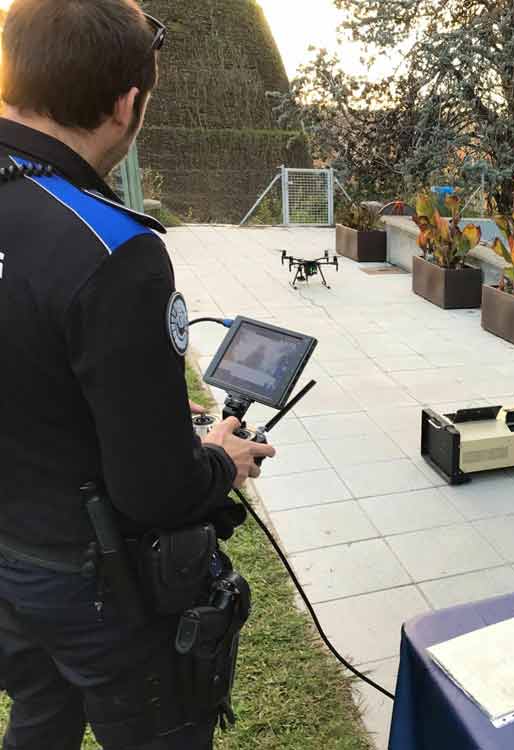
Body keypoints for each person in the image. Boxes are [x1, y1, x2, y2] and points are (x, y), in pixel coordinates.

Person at [0, 1, 275, 748]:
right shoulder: (114, 248)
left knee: (39, 721)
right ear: (127, 105)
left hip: (10, 564)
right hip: (94, 587)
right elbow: (153, 490)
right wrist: (220, 458)